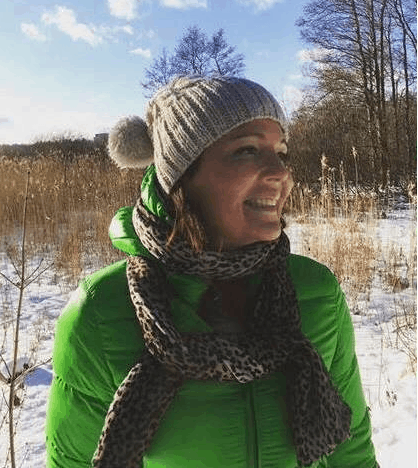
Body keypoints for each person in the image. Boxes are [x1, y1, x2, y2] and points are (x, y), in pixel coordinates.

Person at [45, 75, 379, 468]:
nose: (281, 173)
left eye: (282, 153)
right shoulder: (100, 312)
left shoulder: (316, 291)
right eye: (246, 151)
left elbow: (351, 455)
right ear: (181, 178)